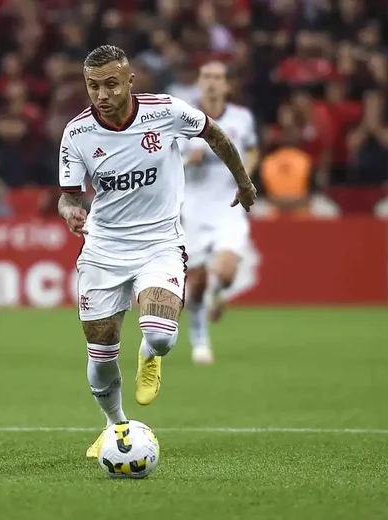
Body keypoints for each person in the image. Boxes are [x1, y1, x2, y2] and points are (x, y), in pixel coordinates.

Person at [56, 45, 256, 460]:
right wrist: (71, 212)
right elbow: (68, 197)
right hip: (104, 248)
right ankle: (116, 426)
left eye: (111, 84)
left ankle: (149, 354)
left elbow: (215, 134)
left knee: (161, 336)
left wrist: (243, 182)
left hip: (160, 242)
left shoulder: (165, 111)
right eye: (93, 86)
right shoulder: (76, 133)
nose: (102, 94)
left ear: (130, 81)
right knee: (101, 346)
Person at [181, 61, 259, 365]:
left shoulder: (241, 118)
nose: (212, 82)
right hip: (193, 209)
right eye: (206, 77)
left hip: (229, 207)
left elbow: (252, 149)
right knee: (197, 281)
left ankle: (220, 293)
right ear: (199, 83)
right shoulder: (183, 118)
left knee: (225, 273)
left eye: (218, 77)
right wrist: (190, 156)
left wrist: (245, 178)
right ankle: (200, 340)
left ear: (227, 85)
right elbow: (168, 156)